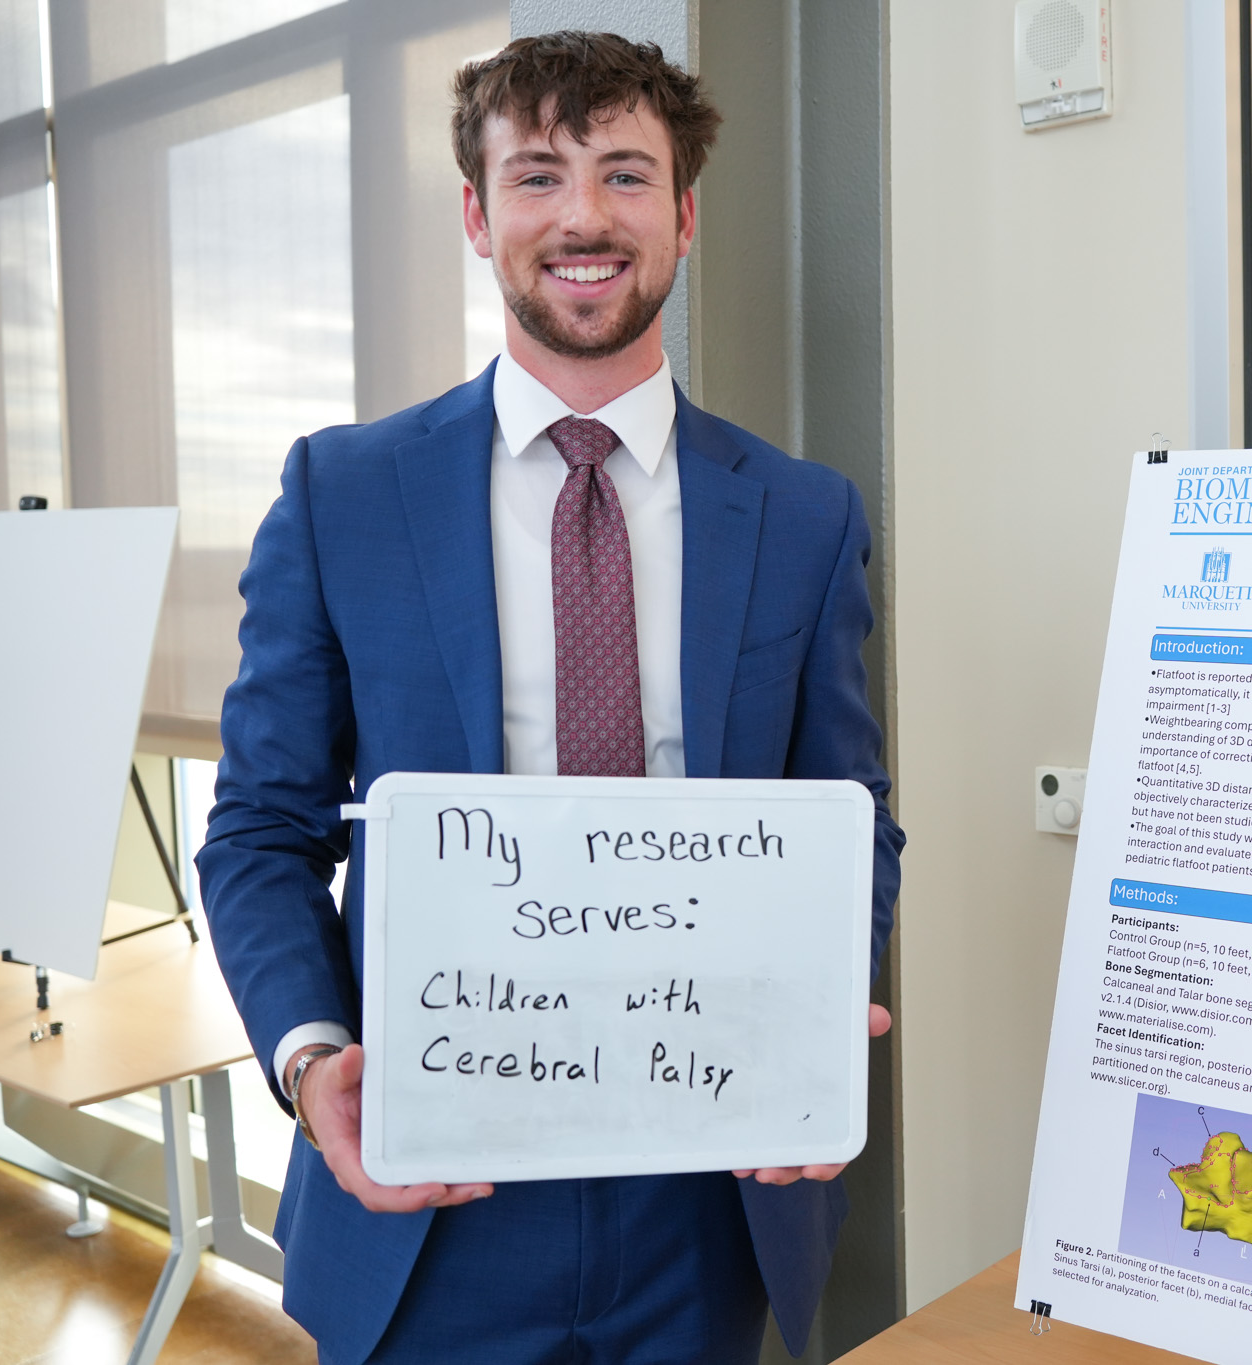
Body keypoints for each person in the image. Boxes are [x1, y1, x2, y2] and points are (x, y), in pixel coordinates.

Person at [195, 31, 903, 1365]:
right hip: (431, 1188)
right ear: (478, 215)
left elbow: (849, 822)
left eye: (626, 174)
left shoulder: (806, 516)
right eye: (537, 176)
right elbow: (259, 832)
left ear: (684, 216)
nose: (584, 217)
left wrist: (811, 1012)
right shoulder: (343, 495)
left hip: (708, 1194)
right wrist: (311, 1055)